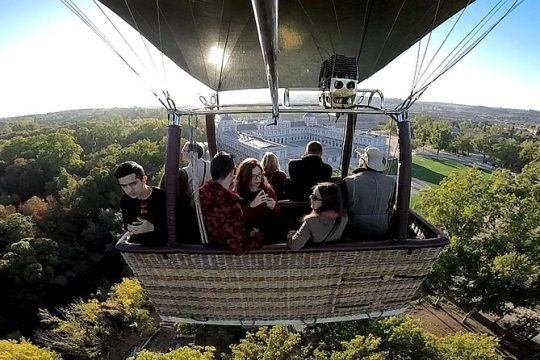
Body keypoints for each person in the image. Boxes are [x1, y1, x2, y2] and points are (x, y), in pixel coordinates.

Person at [199, 152, 262, 255]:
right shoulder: (230, 205)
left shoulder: (203, 193)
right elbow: (238, 248)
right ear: (231, 173)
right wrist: (256, 237)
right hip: (223, 248)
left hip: (211, 241)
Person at [341, 146, 396, 239]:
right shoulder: (391, 182)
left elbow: (342, 207)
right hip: (381, 230)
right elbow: (391, 205)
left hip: (354, 231)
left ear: (363, 161)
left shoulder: (349, 181)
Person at [114, 161, 167, 246]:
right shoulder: (125, 200)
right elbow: (127, 223)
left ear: (144, 179)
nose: (129, 190)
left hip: (163, 249)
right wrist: (130, 227)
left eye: (133, 184)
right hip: (138, 251)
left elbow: (182, 226)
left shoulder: (164, 197)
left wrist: (154, 227)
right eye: (124, 186)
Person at [288, 182, 347, 250]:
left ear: (326, 202)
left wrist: (290, 234)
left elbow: (294, 246)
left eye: (315, 197)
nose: (310, 197)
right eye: (312, 195)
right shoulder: (344, 217)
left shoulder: (310, 222)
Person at [234, 158, 281, 240]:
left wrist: (273, 208)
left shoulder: (267, 190)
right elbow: (235, 217)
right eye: (253, 176)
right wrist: (251, 205)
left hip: (266, 233)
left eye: (259, 174)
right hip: (245, 233)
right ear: (245, 176)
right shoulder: (237, 192)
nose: (257, 178)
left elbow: (277, 214)